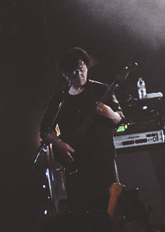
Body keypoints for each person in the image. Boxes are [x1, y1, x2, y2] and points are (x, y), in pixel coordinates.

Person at [39, 48, 124, 212]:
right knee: (81, 209)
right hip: (75, 163)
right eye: (74, 71)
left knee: (111, 207)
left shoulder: (101, 90)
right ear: (65, 74)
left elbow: (120, 119)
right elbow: (45, 129)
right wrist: (59, 144)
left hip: (103, 159)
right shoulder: (59, 98)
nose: (80, 74)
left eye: (82, 69)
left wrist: (110, 113)